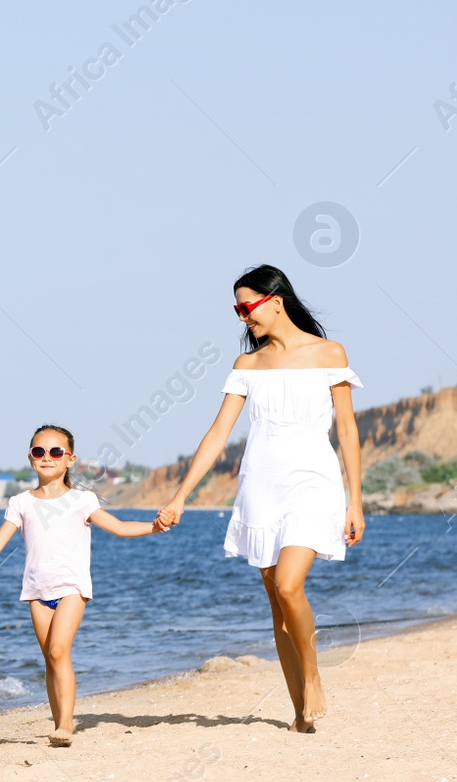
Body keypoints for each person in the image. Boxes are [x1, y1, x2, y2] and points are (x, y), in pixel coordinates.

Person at [156, 264, 364, 734]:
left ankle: (313, 676)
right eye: (237, 308)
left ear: (275, 300)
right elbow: (217, 435)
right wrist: (181, 495)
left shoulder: (329, 353)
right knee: (278, 605)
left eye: (245, 306)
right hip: (260, 486)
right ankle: (299, 714)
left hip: (314, 481)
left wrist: (356, 501)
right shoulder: (247, 365)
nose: (241, 317)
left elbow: (348, 430)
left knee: (290, 585)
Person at [0, 425, 165, 746]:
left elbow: (120, 527)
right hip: (36, 592)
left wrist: (155, 526)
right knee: (51, 660)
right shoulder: (20, 502)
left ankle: (67, 724)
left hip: (72, 588)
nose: (47, 457)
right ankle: (59, 723)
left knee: (59, 651)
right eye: (39, 451)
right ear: (30, 458)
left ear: (70, 459)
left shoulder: (82, 500)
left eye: (55, 452)